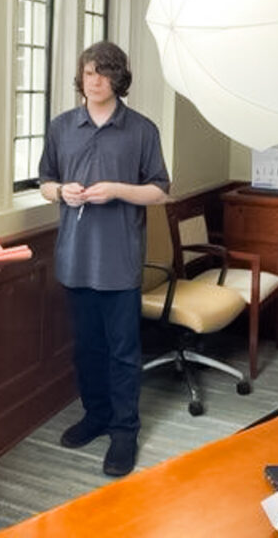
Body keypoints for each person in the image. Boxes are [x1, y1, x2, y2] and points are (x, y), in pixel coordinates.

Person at [38, 41, 170, 478]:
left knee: (124, 353)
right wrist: (61, 191)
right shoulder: (61, 127)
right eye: (88, 73)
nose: (94, 81)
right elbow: (45, 181)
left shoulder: (142, 130)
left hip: (119, 262)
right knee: (87, 349)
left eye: (103, 73)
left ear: (118, 79)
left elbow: (159, 190)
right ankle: (95, 416)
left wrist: (117, 189)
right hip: (74, 260)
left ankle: (124, 431)